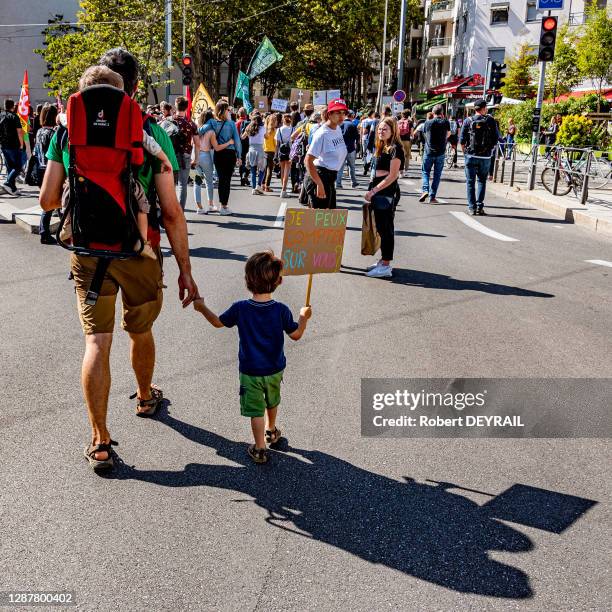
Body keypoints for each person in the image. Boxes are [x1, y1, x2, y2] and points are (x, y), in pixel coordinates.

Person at [39, 48, 199, 472]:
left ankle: (100, 439)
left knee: (97, 341)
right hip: (140, 251)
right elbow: (171, 212)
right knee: (140, 330)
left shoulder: (65, 130)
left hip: (89, 254)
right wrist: (185, 270)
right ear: (130, 89)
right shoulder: (150, 132)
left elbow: (47, 199)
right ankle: (146, 397)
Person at [193, 251, 312, 464]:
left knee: (255, 410)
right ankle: (272, 430)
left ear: (247, 280)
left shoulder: (241, 308)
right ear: (279, 281)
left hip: (250, 371)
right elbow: (296, 335)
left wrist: (202, 307)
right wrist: (303, 318)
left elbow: (218, 323)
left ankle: (259, 448)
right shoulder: (281, 310)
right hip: (275, 368)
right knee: (272, 399)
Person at [363, 117, 404, 278]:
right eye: (379, 129)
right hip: (379, 192)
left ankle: (386, 265)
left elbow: (393, 176)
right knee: (381, 228)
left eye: (385, 129)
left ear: (393, 130)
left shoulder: (395, 148)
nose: (381, 132)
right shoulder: (383, 146)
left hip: (385, 193)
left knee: (386, 230)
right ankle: (383, 260)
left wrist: (374, 191)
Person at [303, 98, 349, 209]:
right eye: (338, 112)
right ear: (329, 114)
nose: (341, 116)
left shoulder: (337, 128)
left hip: (330, 179)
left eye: (344, 113)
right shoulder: (322, 134)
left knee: (327, 220)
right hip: (320, 177)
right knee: (320, 221)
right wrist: (319, 184)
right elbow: (307, 160)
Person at [459, 99, 499, 216]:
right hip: (485, 157)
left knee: (470, 182)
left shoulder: (468, 121)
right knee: (482, 181)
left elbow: (461, 141)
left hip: (471, 155)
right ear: (483, 108)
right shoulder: (491, 120)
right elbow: (496, 139)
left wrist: (465, 153)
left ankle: (471, 208)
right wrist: (489, 150)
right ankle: (479, 207)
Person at [195, 109, 235, 213]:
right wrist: (229, 143)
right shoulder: (211, 131)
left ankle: (199, 207)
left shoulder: (196, 129)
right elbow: (216, 148)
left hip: (195, 156)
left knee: (197, 182)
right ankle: (210, 205)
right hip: (206, 155)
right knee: (209, 182)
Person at [209, 100, 242, 215]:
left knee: (221, 179)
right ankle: (224, 206)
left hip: (218, 153)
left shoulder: (212, 123)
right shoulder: (231, 123)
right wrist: (239, 155)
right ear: (225, 111)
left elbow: (201, 130)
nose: (229, 111)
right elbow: (237, 140)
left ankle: (221, 204)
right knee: (226, 180)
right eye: (228, 109)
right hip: (229, 153)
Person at [36, 103, 60, 244]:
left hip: (40, 169)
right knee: (52, 203)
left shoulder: (40, 131)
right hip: (51, 169)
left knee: (48, 203)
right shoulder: (54, 133)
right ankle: (44, 232)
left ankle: (45, 230)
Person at [171, 96, 199, 211]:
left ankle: (170, 209)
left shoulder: (168, 121)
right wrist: (196, 159)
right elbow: (197, 144)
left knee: (170, 185)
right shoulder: (191, 124)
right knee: (183, 185)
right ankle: (180, 211)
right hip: (185, 156)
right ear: (187, 108)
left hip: (170, 156)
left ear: (175, 106)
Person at [419, 104, 450, 204]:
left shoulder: (428, 123)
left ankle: (425, 190)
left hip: (428, 152)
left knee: (425, 172)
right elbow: (448, 134)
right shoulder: (446, 122)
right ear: (442, 113)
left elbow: (424, 133)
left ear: (432, 113)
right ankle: (432, 197)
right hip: (440, 152)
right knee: (437, 175)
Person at [0, 99, 25, 196]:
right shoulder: (14, 117)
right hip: (14, 145)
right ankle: (7, 182)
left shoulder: (1, 115)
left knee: (10, 167)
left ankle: (13, 189)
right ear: (12, 107)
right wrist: (21, 144)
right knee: (18, 166)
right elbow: (19, 131)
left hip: (3, 145)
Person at [243, 111, 266, 195]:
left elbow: (242, 137)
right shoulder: (263, 128)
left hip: (251, 149)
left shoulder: (248, 128)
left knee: (253, 170)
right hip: (260, 149)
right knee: (262, 169)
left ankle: (253, 188)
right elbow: (266, 136)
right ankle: (258, 186)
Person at [336, 110, 360, 189]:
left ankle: (338, 183)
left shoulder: (339, 124)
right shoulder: (352, 125)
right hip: (350, 148)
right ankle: (353, 182)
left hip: (340, 149)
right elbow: (357, 137)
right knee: (352, 166)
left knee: (340, 167)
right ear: (352, 116)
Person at [276, 113, 294, 198]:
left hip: (281, 151)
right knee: (287, 171)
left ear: (283, 120)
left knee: (282, 170)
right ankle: (284, 190)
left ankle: (283, 189)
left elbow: (277, 144)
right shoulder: (293, 129)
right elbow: (294, 142)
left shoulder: (279, 130)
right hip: (290, 151)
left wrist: (276, 154)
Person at [235, 107, 250, 186]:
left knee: (241, 160)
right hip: (247, 143)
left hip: (239, 143)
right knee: (248, 160)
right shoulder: (249, 123)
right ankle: (245, 176)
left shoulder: (236, 123)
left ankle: (241, 177)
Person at [263, 113, 277, 192]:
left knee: (264, 169)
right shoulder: (274, 131)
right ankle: (267, 186)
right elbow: (275, 143)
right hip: (271, 151)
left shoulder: (264, 129)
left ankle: (262, 184)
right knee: (269, 170)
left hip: (264, 150)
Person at [397, 110, 413, 176]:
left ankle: (399, 171)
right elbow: (412, 132)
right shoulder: (410, 122)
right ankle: (405, 170)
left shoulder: (398, 121)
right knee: (407, 155)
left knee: (400, 155)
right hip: (407, 140)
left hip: (399, 140)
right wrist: (412, 137)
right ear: (408, 115)